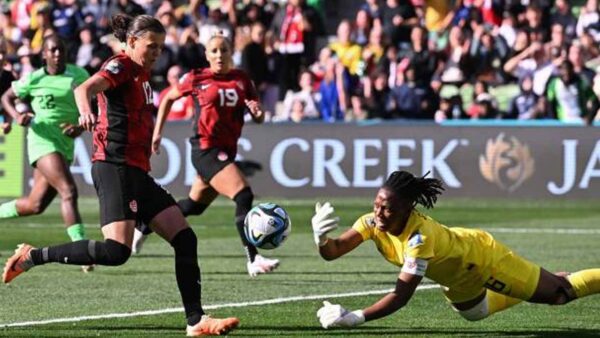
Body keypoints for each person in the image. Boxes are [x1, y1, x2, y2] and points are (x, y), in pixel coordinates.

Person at [2, 14, 239, 337]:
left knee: (185, 238)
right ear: (131, 43)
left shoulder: (142, 73)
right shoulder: (122, 65)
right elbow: (86, 87)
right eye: (150, 46)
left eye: (160, 46)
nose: (156, 52)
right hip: (114, 167)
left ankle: (195, 321)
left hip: (136, 171)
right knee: (116, 252)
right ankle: (31, 257)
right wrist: (86, 110)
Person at [312, 170, 600, 329]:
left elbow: (400, 296)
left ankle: (547, 283)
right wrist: (322, 238)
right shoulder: (371, 222)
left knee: (560, 295)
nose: (379, 213)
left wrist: (357, 317)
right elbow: (334, 251)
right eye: (376, 205)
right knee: (476, 313)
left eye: (388, 208)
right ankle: (534, 284)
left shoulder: (419, 238)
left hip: (483, 260)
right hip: (457, 278)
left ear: (408, 208)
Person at [135, 32, 279, 278]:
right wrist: (157, 132)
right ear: (206, 55)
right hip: (205, 149)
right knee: (243, 194)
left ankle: (145, 222)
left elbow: (259, 116)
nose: (219, 55)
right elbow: (168, 98)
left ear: (231, 52)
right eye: (214, 50)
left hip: (225, 151)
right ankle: (253, 259)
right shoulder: (197, 78)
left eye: (224, 50)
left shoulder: (242, 80)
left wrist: (257, 112)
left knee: (193, 206)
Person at [0, 35, 93, 272]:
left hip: (65, 143)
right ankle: (81, 249)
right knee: (68, 191)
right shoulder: (34, 78)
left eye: (60, 49)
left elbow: (93, 106)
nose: (57, 54)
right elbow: (6, 97)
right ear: (43, 54)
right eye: (52, 50)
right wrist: (18, 115)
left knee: (35, 204)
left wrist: (80, 126)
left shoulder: (79, 75)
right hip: (42, 140)